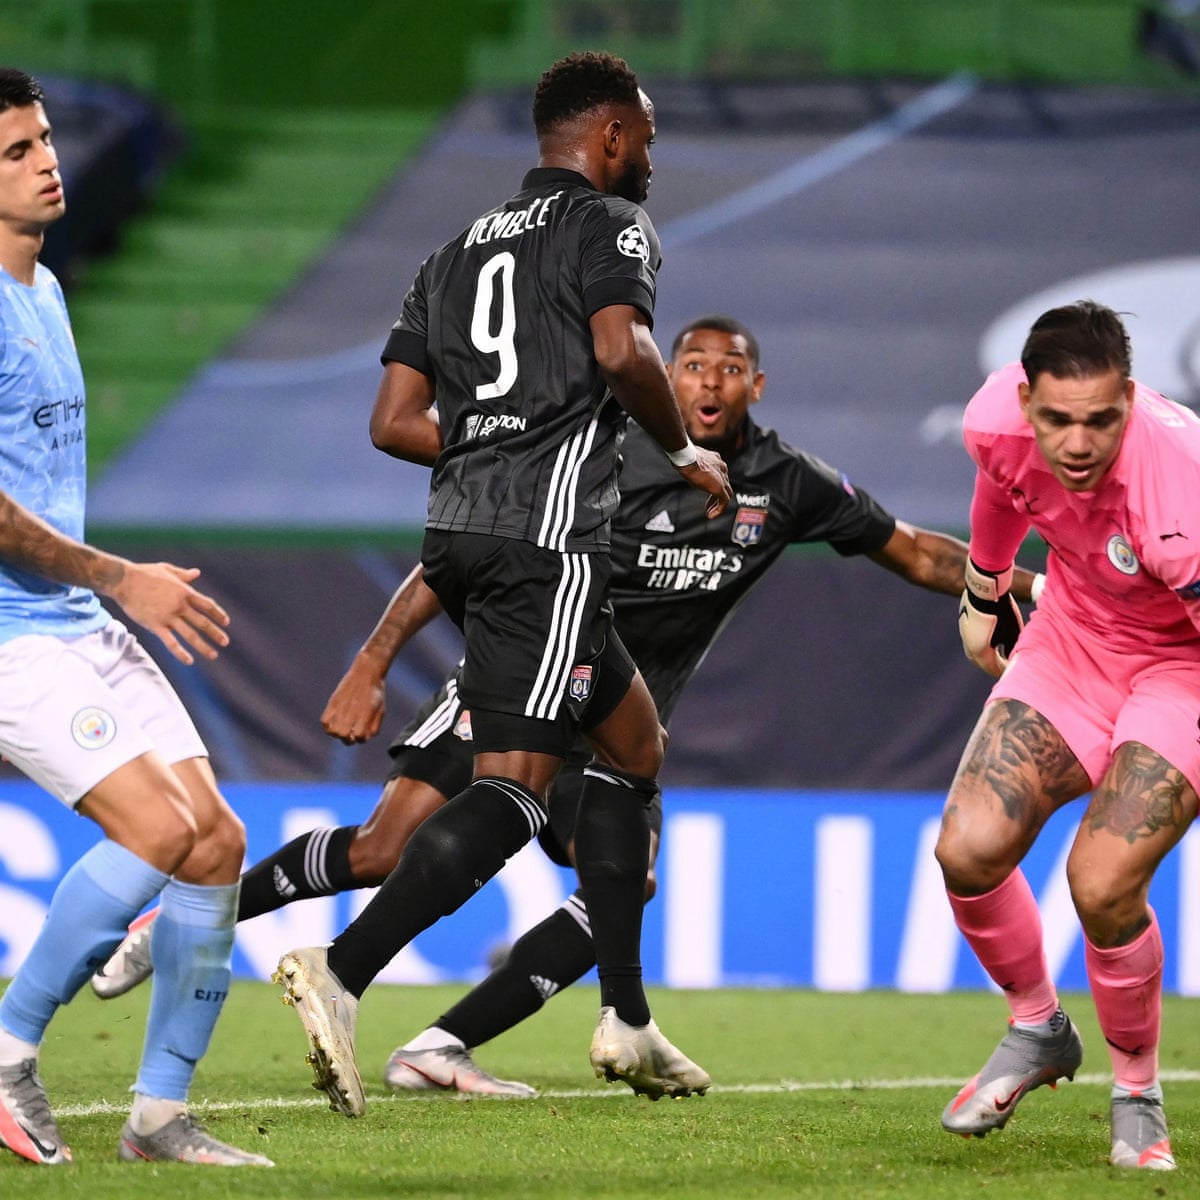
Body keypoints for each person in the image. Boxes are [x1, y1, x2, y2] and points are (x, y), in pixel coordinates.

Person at [95, 314, 1041, 1100]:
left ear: (758, 385)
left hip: (613, 715)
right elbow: (466, 544)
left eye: (731, 369)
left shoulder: (784, 484)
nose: (710, 382)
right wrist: (374, 661)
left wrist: (1014, 588)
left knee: (623, 886)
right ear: (668, 377)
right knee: (383, 849)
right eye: (693, 365)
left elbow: (918, 551)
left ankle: (439, 1046)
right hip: (517, 672)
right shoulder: (613, 448)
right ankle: (182, 924)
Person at [267, 50, 732, 1119]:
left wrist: (486, 453)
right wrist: (684, 452)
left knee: (634, 746)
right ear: (609, 136)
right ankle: (342, 972)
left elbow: (392, 423)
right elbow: (622, 352)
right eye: (647, 141)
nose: (651, 162)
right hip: (547, 541)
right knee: (517, 786)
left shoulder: (452, 250)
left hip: (461, 535)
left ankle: (625, 1011)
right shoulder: (609, 226)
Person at [0, 69, 271, 1168]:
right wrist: (121, 578)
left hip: (73, 613)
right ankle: (9, 1053)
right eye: (15, 151)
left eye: (45, 139)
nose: (48, 161)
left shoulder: (47, 291)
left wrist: (102, 587)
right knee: (156, 833)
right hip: (13, 634)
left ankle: (159, 1116)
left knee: (215, 844)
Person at [936, 300, 1200, 1171]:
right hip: (1075, 638)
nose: (1077, 444)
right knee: (967, 849)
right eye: (1057, 420)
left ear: (1130, 397)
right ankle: (1039, 1029)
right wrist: (983, 591)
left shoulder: (1181, 485)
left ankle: (1137, 1091)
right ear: (1026, 400)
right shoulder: (992, 418)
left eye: (1099, 420)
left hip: (1182, 665)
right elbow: (999, 484)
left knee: (1102, 880)